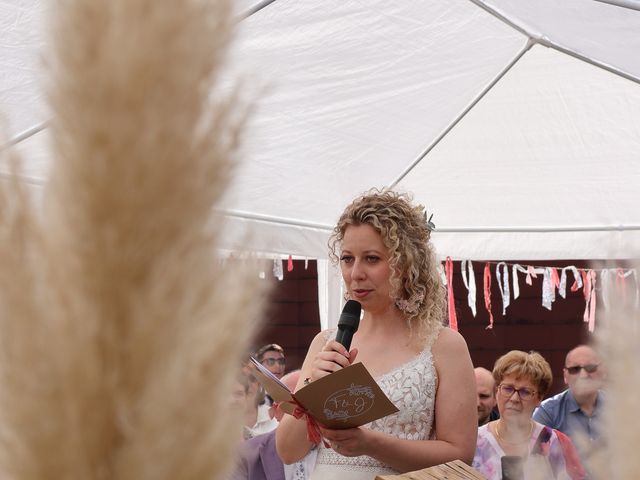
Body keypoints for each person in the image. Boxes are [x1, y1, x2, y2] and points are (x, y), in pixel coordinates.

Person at [276, 190, 477, 480]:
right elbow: (288, 451)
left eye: (371, 259)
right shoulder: (326, 342)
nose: (355, 273)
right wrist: (311, 387)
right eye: (347, 259)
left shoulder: (444, 346)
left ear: (406, 263)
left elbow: (460, 456)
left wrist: (371, 444)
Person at [472, 350, 585, 480]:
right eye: (508, 389)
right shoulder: (475, 442)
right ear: (497, 391)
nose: (514, 398)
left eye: (525, 392)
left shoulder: (556, 443)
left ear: (539, 398)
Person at [232, 371, 318, 480]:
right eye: (293, 402)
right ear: (276, 408)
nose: (303, 411)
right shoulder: (248, 454)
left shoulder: (339, 448)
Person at [533, 345, 605, 467]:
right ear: (565, 375)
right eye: (575, 369)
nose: (583, 375)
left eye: (590, 368)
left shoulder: (620, 408)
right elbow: (534, 463)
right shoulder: (547, 412)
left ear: (602, 372)